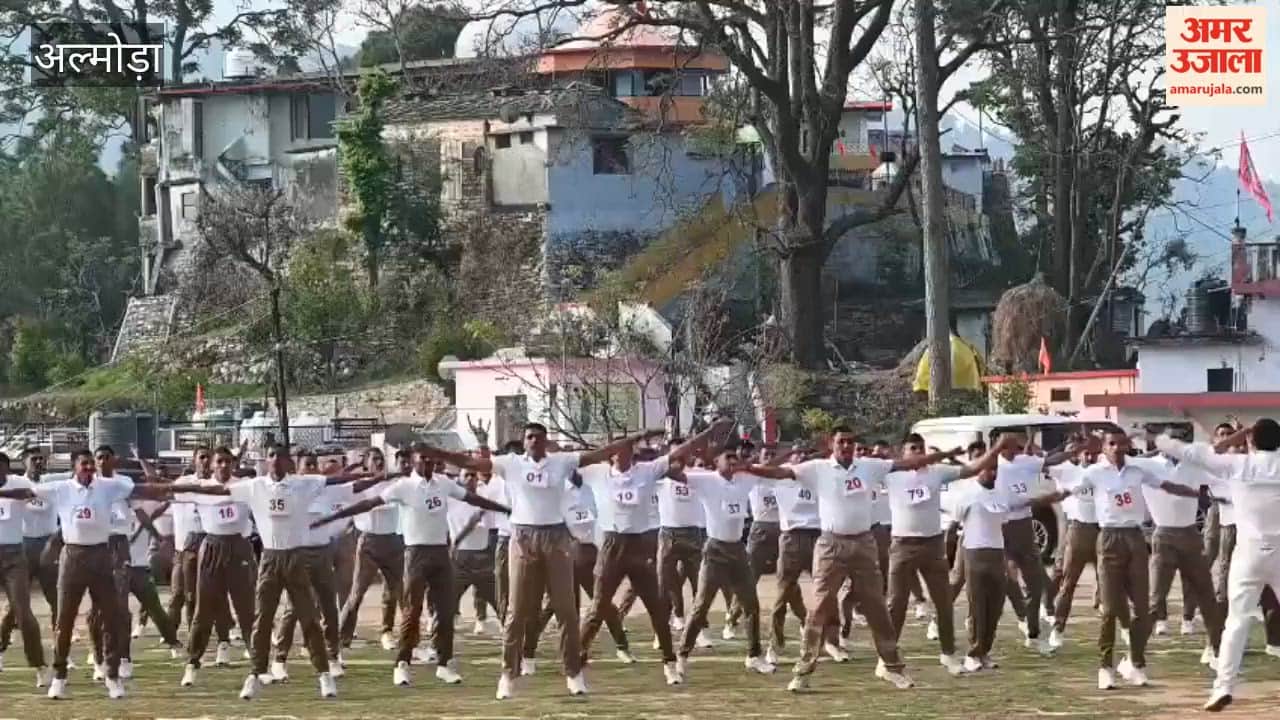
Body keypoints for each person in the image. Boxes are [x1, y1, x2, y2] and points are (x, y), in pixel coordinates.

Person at [417, 424, 653, 700]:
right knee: (517, 612)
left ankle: (573, 673)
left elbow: (599, 454)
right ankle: (508, 674)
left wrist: (635, 438)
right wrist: (434, 451)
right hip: (523, 537)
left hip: (556, 537)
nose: (534, 441)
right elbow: (470, 462)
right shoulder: (511, 463)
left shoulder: (560, 462)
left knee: (566, 610)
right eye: (529, 437)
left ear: (545, 441)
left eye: (539, 438)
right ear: (524, 441)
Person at [745, 427, 959, 692]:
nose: (846, 446)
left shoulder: (869, 466)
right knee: (819, 608)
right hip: (830, 545)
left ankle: (892, 667)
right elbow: (780, 473)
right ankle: (802, 672)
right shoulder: (817, 468)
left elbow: (907, 463)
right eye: (841, 441)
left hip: (863, 544)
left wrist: (943, 456)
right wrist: (749, 468)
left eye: (850, 441)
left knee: (877, 607)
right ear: (831, 443)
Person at [168, 443, 376, 700]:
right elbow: (214, 490)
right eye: (271, 455)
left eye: (280, 456)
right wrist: (169, 488)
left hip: (294, 557)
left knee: (308, 617)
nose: (276, 460)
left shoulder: (301, 483)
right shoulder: (254, 486)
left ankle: (324, 674)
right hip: (269, 557)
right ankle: (254, 673)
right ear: (266, 460)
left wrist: (375, 475)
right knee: (262, 619)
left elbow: (339, 481)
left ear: (288, 461)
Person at [312, 445, 508, 687]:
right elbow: (369, 503)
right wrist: (333, 518)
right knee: (412, 610)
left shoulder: (443, 483)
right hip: (415, 553)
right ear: (414, 462)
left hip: (441, 553)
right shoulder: (404, 486)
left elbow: (472, 498)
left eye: (430, 459)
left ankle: (444, 663)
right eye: (422, 459)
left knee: (445, 611)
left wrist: (505, 509)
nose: (427, 463)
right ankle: (402, 663)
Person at [0, 448, 177, 699]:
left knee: (111, 616)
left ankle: (112, 675)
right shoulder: (61, 488)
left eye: (91, 464)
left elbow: (140, 490)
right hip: (72, 556)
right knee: (65, 619)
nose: (89, 468)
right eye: (84, 464)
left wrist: (179, 489)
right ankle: (59, 676)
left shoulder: (108, 486)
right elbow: (25, 493)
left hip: (101, 555)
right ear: (74, 466)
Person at [1156, 420, 1280, 711]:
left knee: (1236, 623)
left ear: (1250, 441)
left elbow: (1195, 452)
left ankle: (1223, 686)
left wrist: (1160, 440)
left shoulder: (1238, 465)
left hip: (1249, 551)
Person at [1066, 430, 1202, 690]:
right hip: (1109, 538)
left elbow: (1166, 485)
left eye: (1121, 444)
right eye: (1111, 444)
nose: (1117, 448)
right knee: (1109, 609)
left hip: (1135, 538)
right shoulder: (1095, 473)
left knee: (1142, 608)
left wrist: (1196, 494)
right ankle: (1105, 667)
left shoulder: (1137, 470)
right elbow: (1068, 490)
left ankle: (1135, 663)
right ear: (1104, 448)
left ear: (1128, 445)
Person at [884, 433, 1006, 675]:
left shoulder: (936, 472)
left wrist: (997, 448)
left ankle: (948, 653)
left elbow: (972, 469)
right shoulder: (891, 475)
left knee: (943, 602)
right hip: (902, 544)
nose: (918, 453)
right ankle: (887, 655)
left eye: (921, 448)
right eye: (913, 448)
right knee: (896, 603)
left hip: (932, 544)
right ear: (903, 452)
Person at [944, 458, 1070, 672]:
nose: (993, 473)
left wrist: (1006, 559)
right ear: (979, 471)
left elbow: (1014, 513)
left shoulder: (1000, 495)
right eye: (988, 469)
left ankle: (985, 651)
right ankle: (973, 654)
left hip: (996, 553)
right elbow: (954, 527)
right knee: (977, 606)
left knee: (995, 607)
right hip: (975, 553)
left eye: (995, 469)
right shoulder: (968, 495)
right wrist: (951, 555)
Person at [522, 469, 631, 672]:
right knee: (556, 606)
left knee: (603, 602)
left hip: (591, 551)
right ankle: (528, 652)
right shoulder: (560, 491)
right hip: (566, 550)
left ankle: (621, 646)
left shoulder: (592, 489)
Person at [1136, 434, 1223, 669]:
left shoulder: (1192, 465)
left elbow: (1219, 472)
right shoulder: (1148, 464)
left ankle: (1215, 650)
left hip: (1190, 535)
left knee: (1206, 596)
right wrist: (1155, 448)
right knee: (1155, 599)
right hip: (1163, 536)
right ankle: (1135, 657)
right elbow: (1118, 462)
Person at [175, 446, 259, 687]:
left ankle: (258, 664)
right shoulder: (201, 488)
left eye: (227, 461)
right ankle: (192, 663)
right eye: (219, 461)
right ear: (212, 465)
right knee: (203, 609)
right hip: (212, 546)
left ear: (233, 464)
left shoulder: (245, 486)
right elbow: (169, 491)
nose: (223, 465)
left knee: (246, 609)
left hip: (239, 547)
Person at [989, 433, 1074, 655]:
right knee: (1004, 581)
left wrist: (1074, 451)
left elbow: (1050, 460)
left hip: (1024, 526)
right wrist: (1042, 499)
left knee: (1035, 583)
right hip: (999, 526)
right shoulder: (992, 466)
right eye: (1007, 446)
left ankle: (1033, 633)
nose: (1013, 450)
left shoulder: (1023, 462)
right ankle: (989, 630)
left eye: (1015, 446)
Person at [766, 444, 839, 664]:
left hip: (818, 536)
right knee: (783, 592)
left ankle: (828, 641)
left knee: (826, 591)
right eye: (797, 456)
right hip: (792, 536)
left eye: (804, 456)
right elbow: (764, 467)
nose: (801, 459)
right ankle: (775, 644)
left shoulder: (817, 477)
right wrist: (788, 454)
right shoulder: (781, 478)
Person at [338, 447, 403, 652]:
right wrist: (355, 466)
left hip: (392, 540)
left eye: (380, 458)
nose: (378, 462)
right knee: (357, 593)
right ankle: (342, 637)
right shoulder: (361, 486)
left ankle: (387, 632)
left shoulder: (394, 483)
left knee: (393, 591)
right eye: (374, 459)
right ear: (366, 463)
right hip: (369, 542)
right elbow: (342, 483)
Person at [0, 447, 60, 661]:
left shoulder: (50, 484)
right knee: (15, 607)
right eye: (34, 459)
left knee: (56, 599)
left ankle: (59, 647)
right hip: (23, 544)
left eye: (41, 459)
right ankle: (2, 645)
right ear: (23, 461)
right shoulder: (19, 482)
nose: (38, 463)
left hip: (47, 543)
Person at [655, 444, 715, 649]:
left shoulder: (698, 475)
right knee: (664, 585)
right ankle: (661, 631)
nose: (679, 456)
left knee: (700, 585)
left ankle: (699, 631)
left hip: (693, 534)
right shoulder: (661, 477)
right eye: (675, 453)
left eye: (683, 452)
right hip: (668, 534)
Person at [1048, 441, 1101, 649]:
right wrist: (1065, 452)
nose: (1089, 457)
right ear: (1078, 455)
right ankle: (1058, 628)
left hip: (1102, 530)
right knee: (1068, 581)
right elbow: (1044, 463)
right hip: (1078, 528)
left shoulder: (1102, 471)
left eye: (1093, 454)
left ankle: (1120, 628)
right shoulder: (1069, 471)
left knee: (1110, 582)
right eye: (1085, 453)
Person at [448, 468, 501, 639]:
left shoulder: (484, 498)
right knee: (450, 596)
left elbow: (478, 521)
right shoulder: (451, 500)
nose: (470, 478)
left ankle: (510, 632)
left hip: (482, 554)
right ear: (460, 478)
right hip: (460, 556)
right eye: (467, 475)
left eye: (473, 475)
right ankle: (443, 629)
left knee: (495, 597)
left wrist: (457, 539)